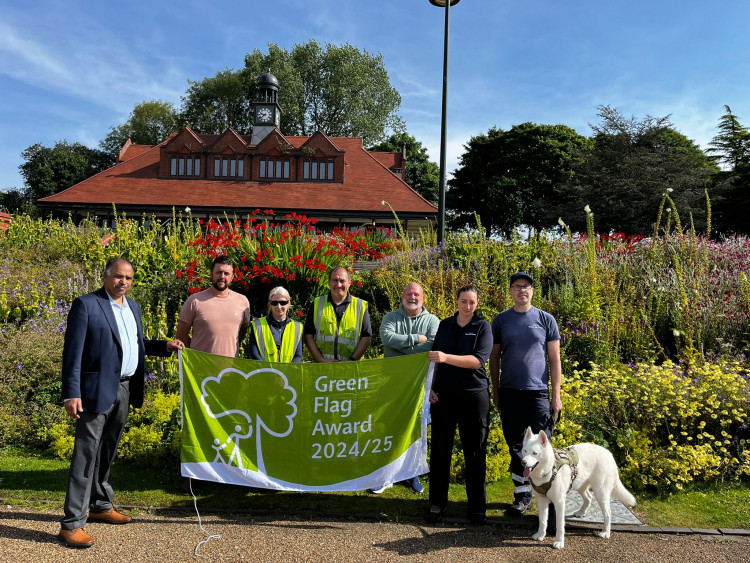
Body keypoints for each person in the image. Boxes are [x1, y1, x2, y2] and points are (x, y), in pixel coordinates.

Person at [58, 257, 182, 548]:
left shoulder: (133, 307)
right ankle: (72, 523)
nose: (123, 282)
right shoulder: (87, 304)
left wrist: (164, 346)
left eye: (128, 278)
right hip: (94, 392)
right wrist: (71, 392)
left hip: (125, 388)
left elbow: (136, 344)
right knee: (85, 456)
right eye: (118, 276)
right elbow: (72, 353)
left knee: (107, 452)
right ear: (105, 276)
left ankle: (100, 505)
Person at [489, 272, 562, 520]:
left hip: (538, 394)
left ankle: (549, 500)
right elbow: (494, 358)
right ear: (510, 291)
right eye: (517, 287)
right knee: (517, 448)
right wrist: (496, 392)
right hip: (510, 393)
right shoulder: (500, 321)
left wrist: (556, 395)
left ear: (532, 291)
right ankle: (522, 497)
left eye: (526, 286)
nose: (522, 290)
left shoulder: (546, 319)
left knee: (542, 449)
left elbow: (554, 359)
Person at [425, 284, 493, 525]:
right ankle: (437, 503)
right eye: (463, 301)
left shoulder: (483, 326)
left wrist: (446, 357)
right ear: (457, 301)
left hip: (474, 397)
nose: (467, 306)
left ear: (477, 304)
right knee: (440, 451)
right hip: (444, 397)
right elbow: (435, 360)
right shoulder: (445, 325)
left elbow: (477, 361)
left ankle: (477, 508)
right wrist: (430, 387)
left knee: (475, 452)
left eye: (472, 302)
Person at [371, 282, 440, 495]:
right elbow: (386, 339)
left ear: (423, 298)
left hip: (420, 386)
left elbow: (432, 346)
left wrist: (400, 349)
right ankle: (386, 475)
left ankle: (412, 474)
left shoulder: (432, 321)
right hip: (392, 385)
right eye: (409, 293)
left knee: (416, 431)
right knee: (389, 427)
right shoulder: (390, 318)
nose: (413, 297)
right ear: (403, 295)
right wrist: (415, 340)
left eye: (417, 294)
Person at [175, 255, 251, 358]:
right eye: (219, 272)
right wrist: (195, 356)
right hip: (201, 369)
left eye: (226, 273)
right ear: (211, 274)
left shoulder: (242, 301)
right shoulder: (195, 301)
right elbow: (181, 335)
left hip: (230, 369)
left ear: (232, 277)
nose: (222, 277)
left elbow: (242, 331)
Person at [303, 266, 372, 362]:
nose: (338, 285)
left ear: (349, 283)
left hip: (351, 368)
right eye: (335, 280)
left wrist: (351, 360)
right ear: (329, 283)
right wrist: (320, 359)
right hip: (324, 366)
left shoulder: (360, 306)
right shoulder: (317, 303)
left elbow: (366, 336)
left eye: (342, 281)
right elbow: (308, 334)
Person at [247, 286, 303, 363]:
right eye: (274, 303)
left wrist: (288, 373)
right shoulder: (257, 325)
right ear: (270, 304)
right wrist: (269, 371)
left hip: (288, 373)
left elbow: (298, 355)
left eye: (283, 303)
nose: (279, 307)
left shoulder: (298, 327)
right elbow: (254, 354)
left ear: (289, 303)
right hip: (264, 372)